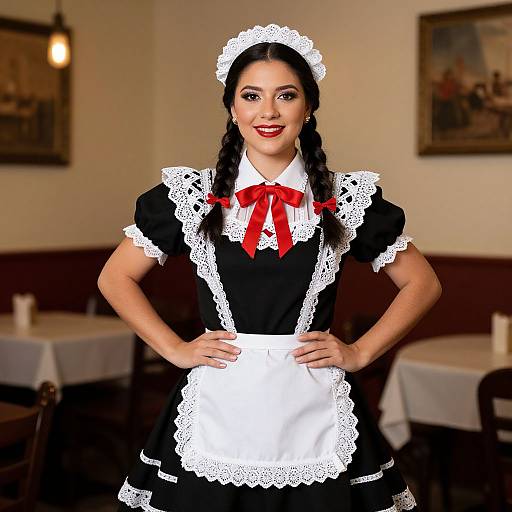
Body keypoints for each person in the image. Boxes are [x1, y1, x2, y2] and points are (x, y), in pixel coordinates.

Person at [98, 23, 442, 512]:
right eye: (251, 95)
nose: (268, 112)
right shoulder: (189, 198)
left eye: (286, 95)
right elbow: (114, 277)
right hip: (218, 408)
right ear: (232, 107)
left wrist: (362, 352)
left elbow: (423, 283)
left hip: (316, 407)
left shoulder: (346, 200)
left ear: (308, 106)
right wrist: (173, 348)